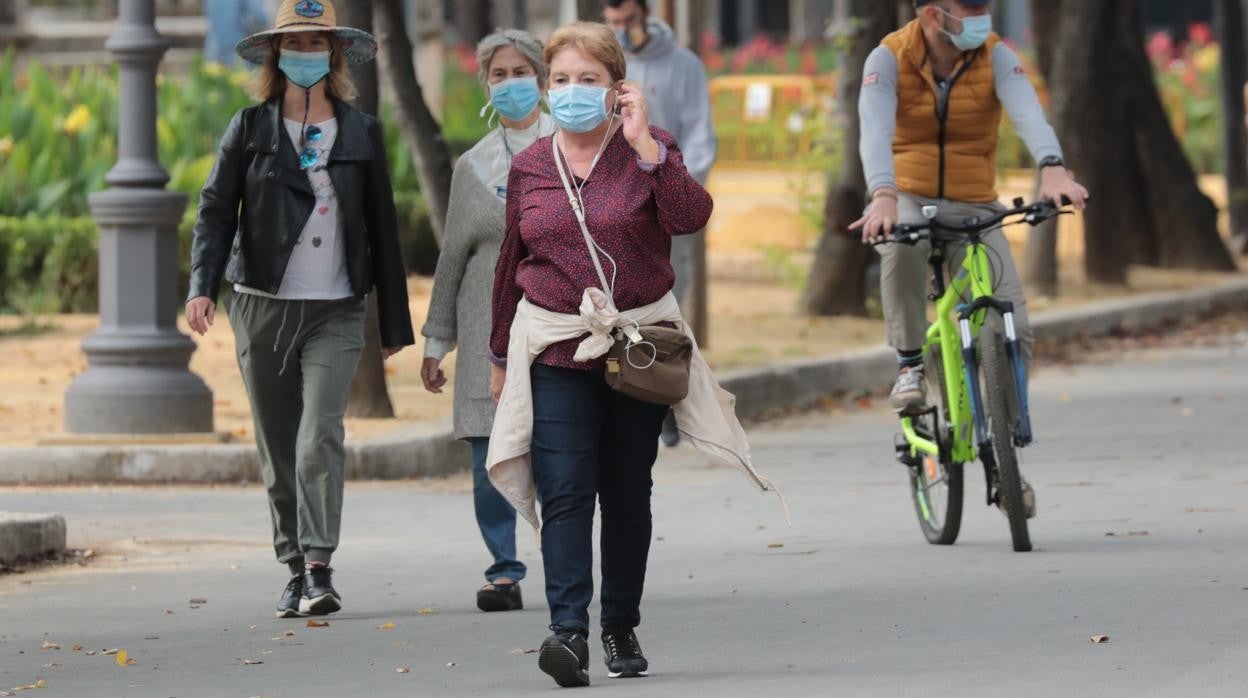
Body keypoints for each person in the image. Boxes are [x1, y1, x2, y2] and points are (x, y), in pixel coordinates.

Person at [485, 21, 771, 688]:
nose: (572, 91)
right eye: (561, 79)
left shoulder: (650, 149)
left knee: (625, 491)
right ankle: (568, 631)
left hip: (637, 350)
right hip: (556, 349)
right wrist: (499, 357)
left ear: (618, 87)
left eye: (588, 79)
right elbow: (509, 262)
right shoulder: (531, 166)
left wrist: (646, 147)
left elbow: (691, 217)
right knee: (565, 491)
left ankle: (619, 624)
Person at [186, 0, 414, 619]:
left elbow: (383, 227)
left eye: (317, 43)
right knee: (278, 443)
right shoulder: (248, 128)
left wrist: (394, 322)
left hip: (336, 308)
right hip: (260, 306)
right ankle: (292, 566)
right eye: (296, 42)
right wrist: (201, 285)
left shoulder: (361, 130)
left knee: (319, 436)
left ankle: (318, 565)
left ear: (334, 54)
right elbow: (215, 212)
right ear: (275, 53)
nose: (306, 53)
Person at [852, 0, 1088, 515]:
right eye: (972, 9)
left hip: (975, 202)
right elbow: (874, 133)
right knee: (901, 244)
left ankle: (1007, 453)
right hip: (907, 195)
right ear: (934, 16)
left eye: (986, 6)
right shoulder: (887, 59)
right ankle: (911, 365)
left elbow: (1028, 114)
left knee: (1013, 323)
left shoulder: (996, 56)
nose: (984, 17)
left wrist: (1052, 168)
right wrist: (883, 195)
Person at [420, 29, 555, 614]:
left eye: (520, 72)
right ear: (485, 85)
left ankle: (566, 560)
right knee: (487, 455)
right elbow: (452, 258)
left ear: (542, 80)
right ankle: (503, 570)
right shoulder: (472, 166)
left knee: (558, 452)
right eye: (498, 75)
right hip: (484, 332)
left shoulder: (574, 149)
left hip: (556, 327)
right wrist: (436, 341)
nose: (510, 84)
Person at [601, 0, 717, 448]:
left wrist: (680, 189)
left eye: (627, 21)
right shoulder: (604, 69)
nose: (621, 30)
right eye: (612, 23)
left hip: (667, 199)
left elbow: (700, 134)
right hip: (614, 202)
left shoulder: (682, 65)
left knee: (666, 299)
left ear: (646, 14)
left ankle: (665, 394)